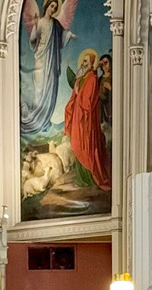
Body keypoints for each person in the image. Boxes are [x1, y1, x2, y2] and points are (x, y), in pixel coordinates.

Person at [20, 0, 77, 137]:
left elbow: (61, 39)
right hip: (41, 59)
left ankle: (45, 121)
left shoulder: (56, 24)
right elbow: (33, 40)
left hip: (52, 61)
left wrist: (69, 35)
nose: (53, 9)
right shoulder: (40, 22)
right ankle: (37, 119)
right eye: (52, 6)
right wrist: (34, 26)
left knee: (50, 88)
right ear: (46, 6)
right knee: (40, 88)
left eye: (55, 8)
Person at [64, 49, 110, 190]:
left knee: (85, 146)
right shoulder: (82, 77)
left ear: (91, 64)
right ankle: (80, 178)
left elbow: (88, 102)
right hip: (79, 118)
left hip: (86, 120)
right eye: (82, 61)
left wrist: (80, 102)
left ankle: (88, 178)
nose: (83, 64)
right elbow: (76, 93)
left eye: (85, 61)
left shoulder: (92, 78)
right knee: (76, 144)